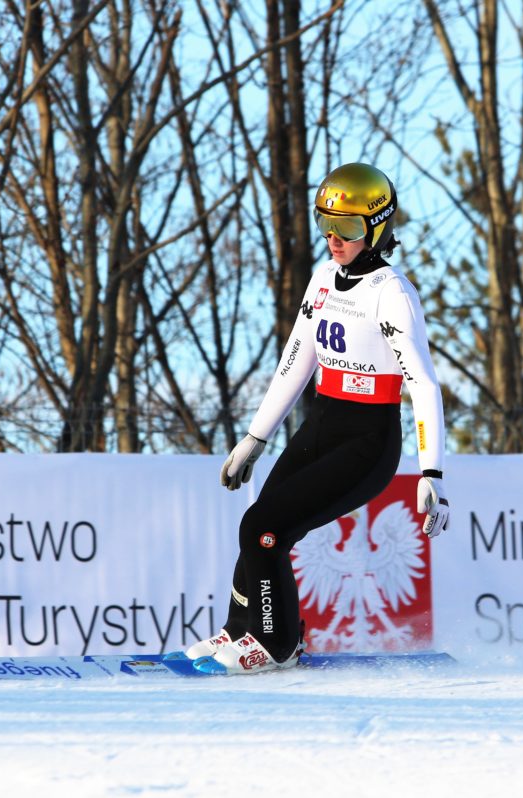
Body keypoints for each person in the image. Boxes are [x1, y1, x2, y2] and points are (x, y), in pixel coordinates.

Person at [190, 162, 449, 675]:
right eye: (325, 224)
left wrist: (432, 473)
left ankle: (277, 641)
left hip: (367, 441)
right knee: (259, 523)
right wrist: (254, 438)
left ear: (377, 228)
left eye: (348, 228)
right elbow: (295, 359)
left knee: (265, 527)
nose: (334, 239)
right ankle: (243, 629)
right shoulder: (324, 279)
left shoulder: (391, 293)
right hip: (323, 424)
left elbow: (423, 384)